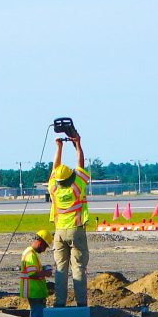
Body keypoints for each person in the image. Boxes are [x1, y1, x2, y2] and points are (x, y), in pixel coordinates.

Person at [48, 131, 90, 307]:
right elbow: (80, 164)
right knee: (78, 268)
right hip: (76, 229)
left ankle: (59, 303)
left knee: (60, 269)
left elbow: (54, 169)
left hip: (59, 232)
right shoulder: (76, 186)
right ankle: (81, 304)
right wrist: (77, 144)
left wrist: (58, 147)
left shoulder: (54, 188)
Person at [19, 230, 54, 317]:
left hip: (35, 291)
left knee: (36, 314)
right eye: (45, 246)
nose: (44, 250)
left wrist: (43, 268)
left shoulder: (31, 253)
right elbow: (32, 274)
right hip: (34, 291)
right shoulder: (30, 255)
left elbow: (34, 270)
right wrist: (46, 273)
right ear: (40, 242)